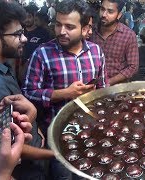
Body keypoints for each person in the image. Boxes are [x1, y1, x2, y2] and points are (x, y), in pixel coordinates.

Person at [0, 1, 54, 179]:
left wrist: (33, 120)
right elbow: (5, 145)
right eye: (18, 34)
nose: (24, 39)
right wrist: (55, 154)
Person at [22, 0, 107, 179]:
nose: (62, 31)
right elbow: (28, 92)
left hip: (90, 134)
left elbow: (103, 89)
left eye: (69, 26)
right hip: (59, 138)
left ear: (85, 29)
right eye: (58, 24)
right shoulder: (42, 53)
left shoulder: (96, 52)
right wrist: (63, 94)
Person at [90, 0, 139, 85]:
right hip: (91, 86)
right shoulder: (90, 32)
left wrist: (108, 82)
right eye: (102, 9)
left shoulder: (128, 35)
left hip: (118, 88)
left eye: (110, 11)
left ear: (119, 15)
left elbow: (133, 67)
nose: (104, 14)